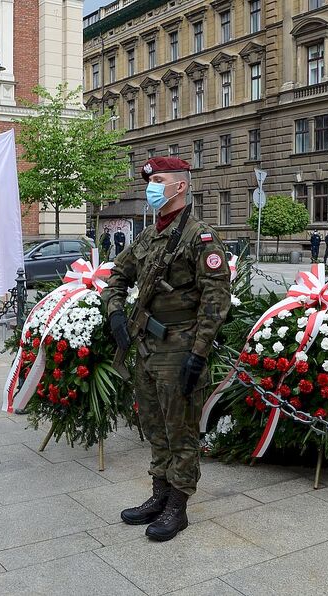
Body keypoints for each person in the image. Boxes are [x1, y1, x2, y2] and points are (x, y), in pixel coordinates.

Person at [103, 157, 231, 542]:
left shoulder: (200, 237)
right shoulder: (147, 236)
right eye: (150, 181)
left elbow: (216, 301)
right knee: (154, 427)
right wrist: (115, 315)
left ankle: (178, 504)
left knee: (181, 432)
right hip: (145, 348)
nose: (151, 187)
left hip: (180, 351)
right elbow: (116, 276)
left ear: (179, 187)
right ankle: (158, 495)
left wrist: (199, 353)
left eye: (158, 181)